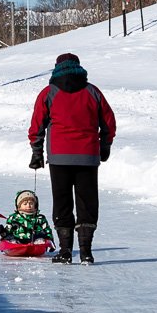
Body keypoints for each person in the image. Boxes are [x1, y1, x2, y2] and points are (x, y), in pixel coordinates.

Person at [28, 52, 116, 264]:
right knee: (87, 203)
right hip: (87, 156)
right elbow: (108, 121)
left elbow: (37, 125)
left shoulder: (49, 93)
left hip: (59, 157)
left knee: (62, 203)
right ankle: (86, 252)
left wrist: (36, 151)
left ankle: (65, 251)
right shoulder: (92, 91)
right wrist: (105, 145)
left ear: (56, 68)